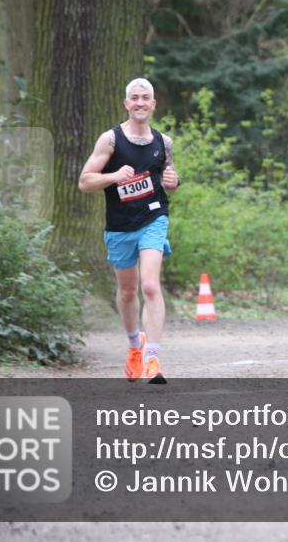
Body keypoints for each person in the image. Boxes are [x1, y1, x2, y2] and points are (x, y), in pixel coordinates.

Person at [78, 78, 179, 384]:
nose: (139, 103)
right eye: (134, 98)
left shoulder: (164, 142)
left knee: (149, 285)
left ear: (153, 104)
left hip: (153, 219)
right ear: (126, 104)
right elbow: (85, 182)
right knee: (127, 291)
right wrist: (113, 176)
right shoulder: (110, 140)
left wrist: (172, 183)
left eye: (145, 98)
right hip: (120, 226)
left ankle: (153, 359)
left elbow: (167, 179)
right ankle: (135, 346)